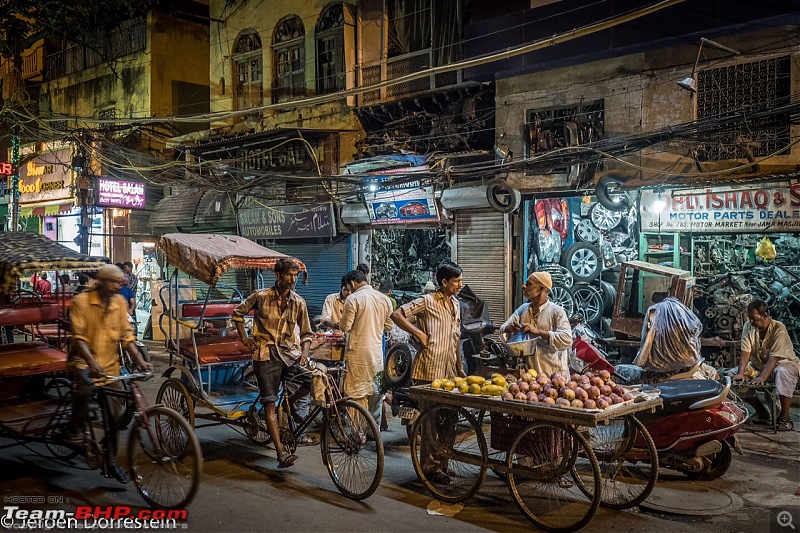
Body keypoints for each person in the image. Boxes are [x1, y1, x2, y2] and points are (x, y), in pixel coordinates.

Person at [66, 264, 152, 484]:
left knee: (114, 416)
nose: (119, 286)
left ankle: (111, 461)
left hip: (109, 367)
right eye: (115, 282)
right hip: (84, 362)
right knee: (84, 389)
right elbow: (79, 339)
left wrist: (140, 361)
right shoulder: (82, 302)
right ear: (102, 281)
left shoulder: (118, 303)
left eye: (121, 282)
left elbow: (127, 337)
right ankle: (74, 430)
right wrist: (92, 362)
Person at [233, 258, 314, 468]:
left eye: (295, 275)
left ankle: (287, 409)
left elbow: (306, 334)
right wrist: (244, 339)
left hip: (288, 354)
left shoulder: (299, 302)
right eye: (288, 275)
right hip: (265, 354)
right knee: (269, 403)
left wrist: (304, 354)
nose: (292, 279)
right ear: (278, 275)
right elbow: (238, 314)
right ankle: (280, 453)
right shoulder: (261, 297)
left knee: (309, 381)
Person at [391, 261, 464, 484]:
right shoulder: (427, 301)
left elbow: (455, 338)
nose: (460, 285)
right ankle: (431, 469)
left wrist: (460, 367)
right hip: (428, 372)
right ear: (444, 282)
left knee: (450, 420)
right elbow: (397, 314)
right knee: (431, 423)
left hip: (450, 373)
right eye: (456, 281)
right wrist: (419, 334)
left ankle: (443, 462)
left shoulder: (456, 305)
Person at [732, 299, 799, 431]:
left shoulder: (779, 328)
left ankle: (784, 417)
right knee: (732, 377)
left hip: (784, 364)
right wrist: (740, 373)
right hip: (758, 365)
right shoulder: (748, 326)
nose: (751, 321)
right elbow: (745, 352)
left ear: (765, 316)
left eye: (754, 318)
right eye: (750, 318)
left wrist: (762, 378)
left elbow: (774, 358)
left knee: (782, 372)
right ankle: (762, 412)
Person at [339, 269, 393, 425]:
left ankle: (357, 433)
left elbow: (345, 326)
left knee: (357, 393)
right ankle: (372, 430)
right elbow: (389, 326)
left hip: (357, 353)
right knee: (375, 392)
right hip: (376, 352)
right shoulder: (384, 299)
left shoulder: (353, 298)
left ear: (353, 283)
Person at [499, 271, 572, 378]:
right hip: (530, 378)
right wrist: (510, 328)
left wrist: (538, 332)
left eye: (529, 284)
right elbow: (502, 330)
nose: (524, 286)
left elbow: (567, 339)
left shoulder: (556, 311)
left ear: (542, 289)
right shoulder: (523, 309)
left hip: (553, 376)